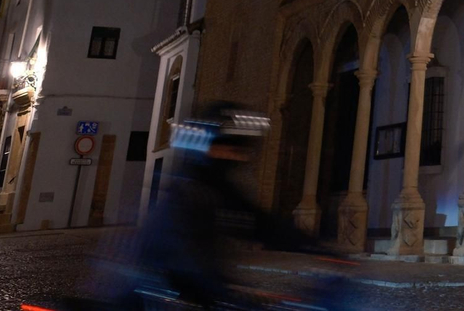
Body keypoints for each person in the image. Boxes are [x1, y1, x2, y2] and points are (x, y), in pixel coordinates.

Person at [125, 103, 342, 308]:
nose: (238, 158)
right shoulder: (188, 190)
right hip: (161, 293)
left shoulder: (218, 186)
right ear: (212, 147)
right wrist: (224, 290)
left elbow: (259, 223)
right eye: (231, 149)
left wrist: (315, 246)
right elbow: (181, 253)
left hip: (198, 287)